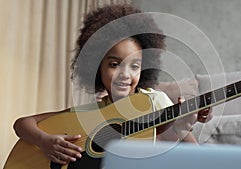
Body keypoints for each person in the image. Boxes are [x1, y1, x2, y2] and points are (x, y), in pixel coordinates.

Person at [13, 3, 212, 167]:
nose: (125, 74)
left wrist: (181, 129)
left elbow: (197, 161)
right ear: (96, 66)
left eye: (134, 66)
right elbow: (23, 123)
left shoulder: (156, 102)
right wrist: (44, 141)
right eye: (114, 64)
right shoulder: (91, 113)